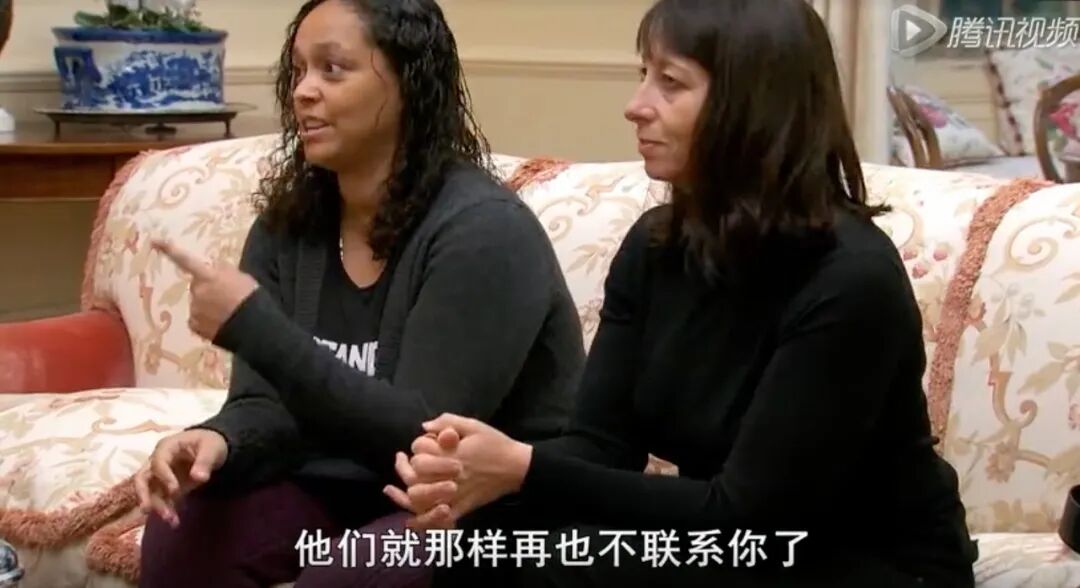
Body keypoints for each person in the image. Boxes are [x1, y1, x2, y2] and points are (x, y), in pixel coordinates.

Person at [387, 0, 981, 587]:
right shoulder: (656, 247)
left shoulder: (850, 279)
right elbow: (601, 445)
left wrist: (524, 468)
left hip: (860, 559)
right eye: (643, 74)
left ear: (752, 103)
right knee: (476, 548)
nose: (636, 106)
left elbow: (748, 518)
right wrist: (474, 472)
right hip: (732, 543)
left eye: (670, 83)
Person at [134, 1, 585, 587]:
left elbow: (422, 440)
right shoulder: (287, 227)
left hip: (484, 507)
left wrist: (256, 327)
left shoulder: (485, 231)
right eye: (298, 70)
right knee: (184, 532)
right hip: (344, 488)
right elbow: (264, 404)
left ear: (407, 83)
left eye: (333, 69)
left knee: (354, 574)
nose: (303, 91)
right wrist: (219, 439)